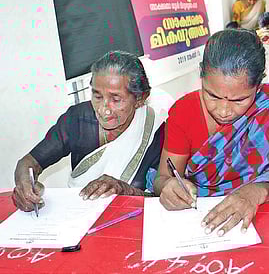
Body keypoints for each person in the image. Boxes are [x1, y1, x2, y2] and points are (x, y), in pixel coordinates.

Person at [154, 29, 269, 236]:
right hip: (199, 220)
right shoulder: (184, 112)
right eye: (212, 95)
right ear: (201, 75)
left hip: (261, 217)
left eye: (239, 100)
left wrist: (254, 193)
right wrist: (169, 186)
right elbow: (162, 177)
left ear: (258, 86)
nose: (223, 111)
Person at [12, 50, 165, 212]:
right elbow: (29, 162)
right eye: (97, 96)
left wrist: (126, 190)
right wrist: (25, 186)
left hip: (133, 220)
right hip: (78, 216)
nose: (103, 110)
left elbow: (163, 196)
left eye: (116, 99)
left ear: (140, 98)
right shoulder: (77, 119)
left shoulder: (156, 133)